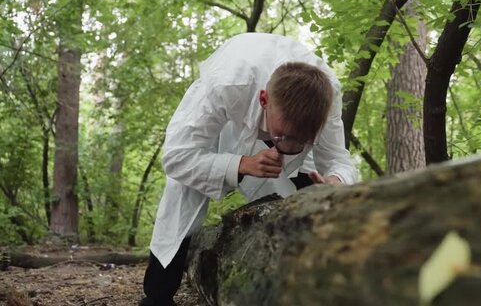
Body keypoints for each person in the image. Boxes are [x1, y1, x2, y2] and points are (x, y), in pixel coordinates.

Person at [139, 32, 358, 306]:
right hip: (229, 114)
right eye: (283, 136)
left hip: (284, 116)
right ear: (264, 99)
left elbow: (337, 158)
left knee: (311, 196)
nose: (289, 147)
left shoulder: (327, 97)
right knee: (184, 189)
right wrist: (243, 164)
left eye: (300, 141)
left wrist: (337, 181)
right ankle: (158, 294)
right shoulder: (226, 84)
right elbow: (177, 156)